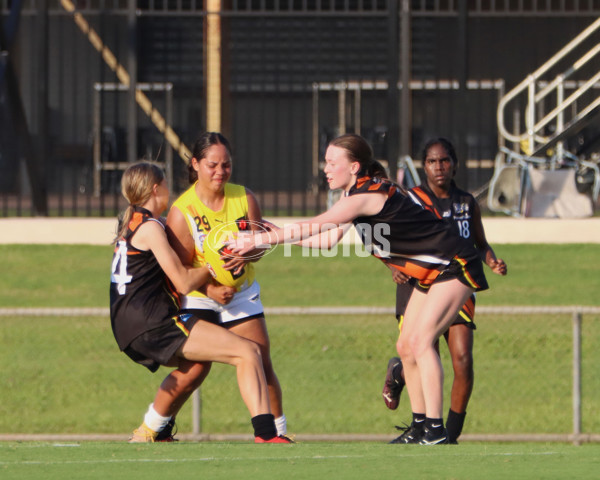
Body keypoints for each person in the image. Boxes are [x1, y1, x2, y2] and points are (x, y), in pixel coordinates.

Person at [230, 133, 489, 445]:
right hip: (431, 271)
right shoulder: (352, 197)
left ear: (354, 167)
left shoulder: (367, 195)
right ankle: (419, 426)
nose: (325, 168)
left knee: (421, 341)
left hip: (454, 263)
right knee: (406, 345)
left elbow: (317, 225)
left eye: (331, 162)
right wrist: (268, 230)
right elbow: (324, 240)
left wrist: (257, 240)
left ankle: (436, 430)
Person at [110, 161, 291, 444]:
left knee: (196, 366)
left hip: (130, 325)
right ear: (156, 189)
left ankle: (150, 431)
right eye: (166, 185)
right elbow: (183, 282)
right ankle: (267, 435)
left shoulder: (134, 223)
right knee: (247, 352)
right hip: (151, 322)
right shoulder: (150, 228)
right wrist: (212, 267)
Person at [382, 137, 507, 444]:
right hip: (419, 287)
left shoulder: (466, 203)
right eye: (432, 161)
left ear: (455, 164)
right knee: (422, 351)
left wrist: (491, 260)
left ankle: (449, 433)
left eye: (445, 160)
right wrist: (393, 265)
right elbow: (384, 238)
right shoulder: (412, 199)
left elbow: (479, 243)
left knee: (462, 359)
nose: (439, 167)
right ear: (423, 166)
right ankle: (421, 423)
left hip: (456, 284)